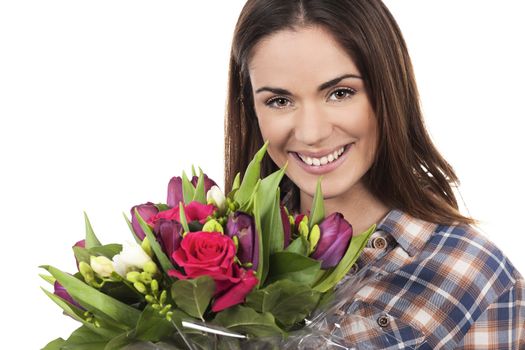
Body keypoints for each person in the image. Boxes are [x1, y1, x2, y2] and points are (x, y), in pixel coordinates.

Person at [223, 0, 525, 349]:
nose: (311, 133)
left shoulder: (475, 278)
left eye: (340, 93)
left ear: (387, 92)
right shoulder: (220, 257)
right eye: (279, 101)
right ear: (251, 108)